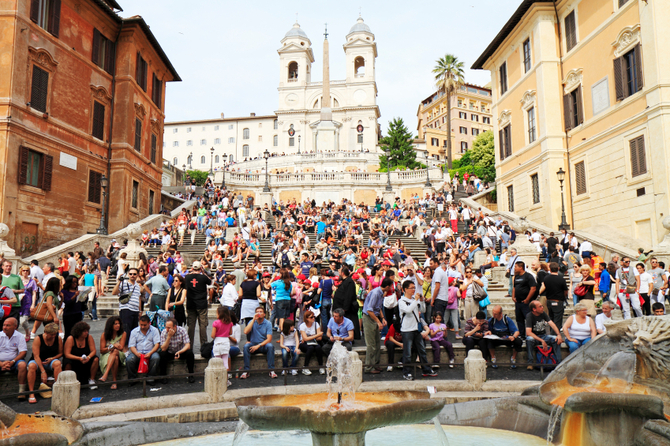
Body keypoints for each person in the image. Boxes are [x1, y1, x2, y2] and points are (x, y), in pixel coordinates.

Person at [399, 281, 436, 381]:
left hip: (416, 329)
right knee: (407, 353)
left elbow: (422, 310)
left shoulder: (414, 300)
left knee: (422, 350)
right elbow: (407, 310)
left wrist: (421, 301)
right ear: (405, 289)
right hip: (406, 330)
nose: (414, 290)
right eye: (411, 288)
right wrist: (415, 301)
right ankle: (406, 372)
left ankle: (426, 369)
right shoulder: (401, 301)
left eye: (414, 288)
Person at [361, 278, 391, 374]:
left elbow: (378, 307)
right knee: (371, 345)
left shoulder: (381, 293)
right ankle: (369, 367)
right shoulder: (375, 293)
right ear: (387, 287)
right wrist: (378, 321)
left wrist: (382, 318)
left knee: (377, 344)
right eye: (390, 286)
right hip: (369, 318)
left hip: (374, 317)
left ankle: (375, 364)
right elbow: (369, 310)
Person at [27, 322, 62, 403]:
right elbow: (36, 356)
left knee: (57, 363)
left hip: (50, 360)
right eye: (51, 334)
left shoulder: (58, 338)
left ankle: (58, 389)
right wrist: (43, 371)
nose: (53, 336)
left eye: (54, 334)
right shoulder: (38, 339)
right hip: (38, 360)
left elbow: (60, 353)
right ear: (45, 333)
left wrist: (52, 358)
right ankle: (31, 393)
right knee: (32, 366)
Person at [525, 301, 563, 370]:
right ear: (534, 309)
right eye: (540, 306)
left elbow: (552, 324)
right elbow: (528, 332)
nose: (542, 307)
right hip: (534, 337)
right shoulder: (529, 316)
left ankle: (558, 362)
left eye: (542, 306)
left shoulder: (543, 313)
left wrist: (558, 335)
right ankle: (530, 363)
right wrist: (542, 340)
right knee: (529, 340)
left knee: (556, 339)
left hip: (543, 336)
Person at [241, 306, 275, 379]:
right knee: (246, 346)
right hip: (253, 344)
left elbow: (269, 339)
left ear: (264, 314)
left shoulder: (268, 323)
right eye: (257, 312)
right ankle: (246, 370)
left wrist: (258, 345)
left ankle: (271, 370)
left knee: (270, 346)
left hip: (263, 345)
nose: (258, 313)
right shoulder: (252, 321)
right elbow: (245, 331)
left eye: (260, 312)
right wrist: (253, 319)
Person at [126, 315, 161, 385]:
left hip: (150, 351)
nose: (142, 327)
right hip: (138, 352)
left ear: (149, 323)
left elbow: (157, 344)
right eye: (141, 325)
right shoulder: (134, 331)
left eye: (145, 325)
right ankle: (132, 378)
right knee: (129, 359)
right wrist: (137, 353)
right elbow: (132, 346)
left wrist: (150, 353)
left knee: (156, 357)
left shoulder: (154, 330)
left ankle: (150, 377)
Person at [159, 318, 195, 383]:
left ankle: (191, 375)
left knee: (190, 353)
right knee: (162, 354)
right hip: (170, 352)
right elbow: (163, 348)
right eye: (166, 327)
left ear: (174, 327)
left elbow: (188, 345)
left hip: (180, 351)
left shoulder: (182, 330)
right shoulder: (164, 332)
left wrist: (180, 352)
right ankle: (163, 376)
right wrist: (169, 337)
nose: (167, 329)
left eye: (169, 327)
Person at [63, 321, 99, 386]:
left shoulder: (89, 337)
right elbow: (67, 354)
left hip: (86, 359)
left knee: (96, 359)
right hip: (74, 360)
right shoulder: (71, 338)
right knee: (67, 362)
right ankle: (68, 381)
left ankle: (92, 379)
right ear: (79, 332)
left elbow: (93, 350)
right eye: (85, 331)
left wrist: (88, 357)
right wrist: (79, 358)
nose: (87, 333)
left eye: (87, 331)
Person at [184, 261, 211, 347]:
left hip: (191, 303)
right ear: (200, 268)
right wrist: (203, 273)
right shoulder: (203, 277)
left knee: (191, 326)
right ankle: (204, 345)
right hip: (201, 304)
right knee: (202, 326)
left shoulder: (187, 278)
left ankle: (189, 346)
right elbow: (210, 282)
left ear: (192, 268)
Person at [112, 267, 144, 340]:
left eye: (134, 274)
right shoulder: (123, 283)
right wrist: (119, 282)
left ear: (137, 275)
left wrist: (140, 311)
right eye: (130, 274)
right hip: (126, 308)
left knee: (134, 331)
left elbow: (138, 298)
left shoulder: (137, 285)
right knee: (126, 330)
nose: (132, 275)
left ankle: (131, 348)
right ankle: (125, 348)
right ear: (128, 275)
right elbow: (114, 292)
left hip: (135, 310)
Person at [0, 318, 28, 398]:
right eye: (4, 325)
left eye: (8, 325)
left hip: (14, 361)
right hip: (0, 362)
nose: (5, 327)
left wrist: (12, 361)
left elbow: (23, 352)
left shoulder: (19, 336)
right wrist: (1, 364)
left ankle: (21, 391)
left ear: (15, 326)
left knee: (22, 365)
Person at [332, 266, 360, 340]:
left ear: (343, 273)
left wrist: (345, 308)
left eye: (340, 272)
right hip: (343, 307)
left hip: (348, 308)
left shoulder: (349, 282)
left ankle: (351, 337)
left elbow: (349, 296)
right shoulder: (346, 281)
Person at [540, 262, 569, 333]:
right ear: (558, 268)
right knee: (557, 319)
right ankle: (555, 334)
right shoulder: (561, 279)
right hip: (558, 300)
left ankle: (551, 333)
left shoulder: (546, 278)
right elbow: (565, 291)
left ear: (550, 269)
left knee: (551, 318)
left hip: (549, 300)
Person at [99, 316, 126, 389]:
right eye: (115, 324)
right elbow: (102, 350)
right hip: (107, 354)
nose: (118, 325)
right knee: (115, 358)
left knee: (116, 352)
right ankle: (114, 381)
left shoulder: (123, 334)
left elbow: (121, 348)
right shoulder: (104, 335)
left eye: (118, 323)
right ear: (110, 325)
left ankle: (105, 374)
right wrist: (113, 346)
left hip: (119, 353)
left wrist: (114, 347)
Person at [512, 261, 536, 338]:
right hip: (518, 302)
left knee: (528, 319)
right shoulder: (516, 276)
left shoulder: (528, 276)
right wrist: (513, 296)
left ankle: (530, 334)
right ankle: (522, 335)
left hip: (526, 302)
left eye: (515, 267)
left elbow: (533, 288)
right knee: (519, 319)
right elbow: (514, 287)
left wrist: (527, 299)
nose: (514, 268)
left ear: (520, 267)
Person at [298, 310, 324, 375]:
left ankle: (321, 366)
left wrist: (310, 337)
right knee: (310, 348)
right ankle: (305, 367)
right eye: (311, 317)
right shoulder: (302, 326)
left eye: (314, 317)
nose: (313, 318)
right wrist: (316, 335)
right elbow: (305, 338)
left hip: (314, 342)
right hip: (304, 344)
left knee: (318, 347)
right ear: (307, 318)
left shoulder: (316, 324)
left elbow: (320, 338)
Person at [211, 306, 233, 374]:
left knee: (217, 361)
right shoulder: (230, 323)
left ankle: (218, 378)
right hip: (226, 342)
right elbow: (230, 333)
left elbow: (212, 335)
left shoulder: (216, 323)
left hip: (218, 342)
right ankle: (226, 380)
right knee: (225, 362)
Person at [61, 275, 83, 339]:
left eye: (76, 282)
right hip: (69, 314)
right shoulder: (64, 291)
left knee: (78, 333)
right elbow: (67, 302)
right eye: (73, 282)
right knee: (68, 333)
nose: (75, 284)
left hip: (78, 313)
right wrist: (75, 296)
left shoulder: (78, 290)